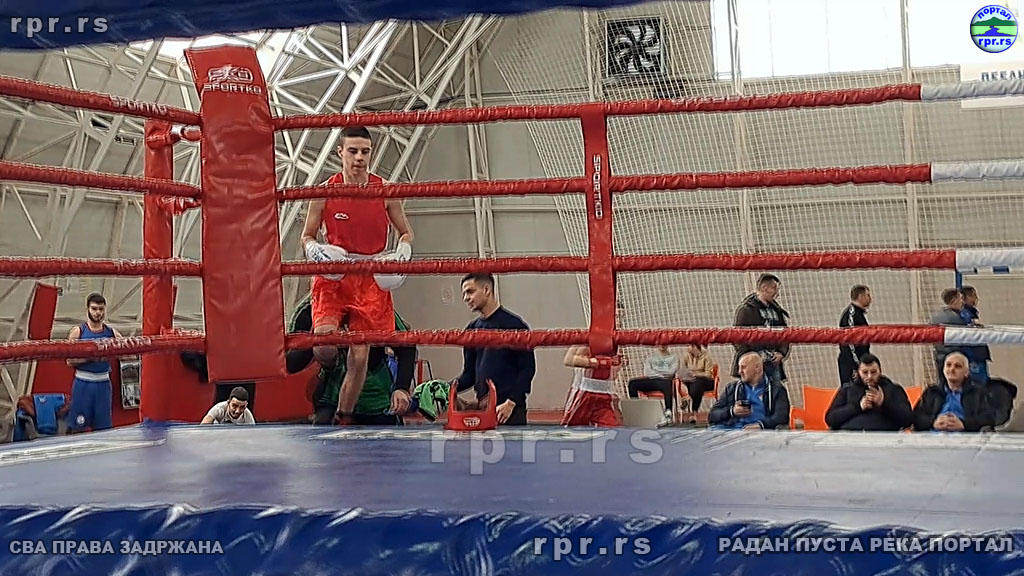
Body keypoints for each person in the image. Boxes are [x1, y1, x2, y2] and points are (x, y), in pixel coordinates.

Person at [299, 126, 414, 425]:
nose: (359, 157)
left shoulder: (386, 191)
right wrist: (314, 250)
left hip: (370, 277)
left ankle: (344, 417)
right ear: (340, 152)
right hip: (334, 275)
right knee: (323, 345)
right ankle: (329, 367)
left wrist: (403, 252)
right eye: (353, 151)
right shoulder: (323, 192)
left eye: (365, 151)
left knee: (360, 356)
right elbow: (307, 235)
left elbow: (406, 232)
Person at [286, 292, 416, 425]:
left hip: (375, 399)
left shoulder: (374, 304)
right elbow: (290, 363)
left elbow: (407, 348)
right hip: (331, 396)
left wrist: (401, 388)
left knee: (359, 354)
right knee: (325, 425)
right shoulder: (310, 308)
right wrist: (316, 338)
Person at [454, 273, 536, 426]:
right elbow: (469, 374)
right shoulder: (471, 329)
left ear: (486, 290)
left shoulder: (514, 325)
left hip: (509, 411)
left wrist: (511, 402)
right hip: (484, 408)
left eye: (470, 292)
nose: (466, 298)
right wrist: (446, 389)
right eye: (464, 293)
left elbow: (527, 369)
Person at [65, 293, 122, 433]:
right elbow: (69, 361)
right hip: (83, 383)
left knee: (104, 429)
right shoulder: (78, 332)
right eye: (94, 309)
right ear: (88, 309)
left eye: (101, 309)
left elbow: (129, 354)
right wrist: (92, 357)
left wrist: (112, 352)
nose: (98, 313)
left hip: (103, 384)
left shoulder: (112, 333)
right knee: (77, 427)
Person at [824, 353, 913, 431]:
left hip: (884, 436)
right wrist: (858, 407)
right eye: (865, 372)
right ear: (858, 372)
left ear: (880, 371)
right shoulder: (847, 389)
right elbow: (831, 419)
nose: (869, 376)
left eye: (873, 372)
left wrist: (883, 403)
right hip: (850, 436)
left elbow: (908, 420)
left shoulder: (894, 389)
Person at [913, 352, 999, 432]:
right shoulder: (932, 392)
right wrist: (933, 423)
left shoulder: (978, 392)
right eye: (948, 365)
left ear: (966, 373)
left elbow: (989, 418)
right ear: (943, 369)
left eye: (957, 366)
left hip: (965, 437)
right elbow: (916, 418)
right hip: (933, 437)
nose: (952, 369)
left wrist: (963, 424)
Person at [731, 273, 790, 386]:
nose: (777, 293)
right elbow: (736, 338)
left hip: (772, 364)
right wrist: (749, 357)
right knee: (753, 394)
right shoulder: (746, 310)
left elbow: (786, 334)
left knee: (775, 393)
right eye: (774, 288)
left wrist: (781, 353)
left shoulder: (777, 310)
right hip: (752, 366)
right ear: (764, 288)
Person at [709, 351, 790, 430]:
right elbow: (712, 415)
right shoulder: (732, 388)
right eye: (739, 367)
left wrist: (761, 425)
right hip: (733, 430)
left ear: (757, 367)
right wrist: (732, 411)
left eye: (743, 367)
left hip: (760, 433)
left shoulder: (776, 389)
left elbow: (781, 417)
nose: (739, 371)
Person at [561, 345, 622, 427]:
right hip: (585, 394)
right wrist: (597, 363)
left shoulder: (615, 342)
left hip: (606, 395)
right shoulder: (586, 342)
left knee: (612, 427)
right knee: (573, 428)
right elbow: (568, 360)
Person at [626, 346, 678, 426]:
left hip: (665, 380)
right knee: (632, 383)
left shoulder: (673, 357)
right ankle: (637, 411)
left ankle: (668, 413)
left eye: (664, 344)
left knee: (668, 384)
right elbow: (647, 373)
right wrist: (663, 373)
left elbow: (671, 372)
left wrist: (656, 371)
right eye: (659, 344)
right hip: (652, 380)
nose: (662, 346)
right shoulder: (651, 358)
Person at [837, 284, 871, 385]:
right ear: (861, 297)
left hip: (860, 362)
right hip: (851, 364)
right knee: (851, 391)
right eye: (868, 295)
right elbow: (849, 343)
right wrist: (856, 366)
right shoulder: (851, 315)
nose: (870, 299)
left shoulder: (859, 315)